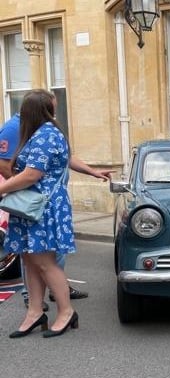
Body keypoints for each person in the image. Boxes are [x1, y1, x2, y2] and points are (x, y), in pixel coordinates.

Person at [0, 99, 113, 310]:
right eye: (52, 106)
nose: (55, 111)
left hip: (45, 204)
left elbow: (57, 162)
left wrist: (92, 172)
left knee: (44, 260)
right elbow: (9, 166)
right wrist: (21, 190)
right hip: (36, 203)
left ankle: (59, 304)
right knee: (37, 258)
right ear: (39, 109)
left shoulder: (45, 133)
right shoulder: (17, 128)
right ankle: (38, 303)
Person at [1, 89, 78, 338]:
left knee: (44, 262)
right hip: (31, 207)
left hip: (43, 208)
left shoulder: (46, 134)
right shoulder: (38, 133)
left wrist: (1, 188)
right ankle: (35, 312)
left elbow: (33, 174)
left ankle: (66, 312)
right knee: (31, 261)